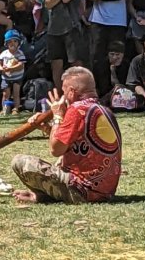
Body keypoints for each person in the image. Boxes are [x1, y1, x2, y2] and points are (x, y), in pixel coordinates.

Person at [11, 66, 122, 204]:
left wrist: (57, 115)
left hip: (83, 191)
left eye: (64, 92)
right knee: (61, 162)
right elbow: (76, 143)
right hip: (105, 192)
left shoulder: (77, 109)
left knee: (20, 161)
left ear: (71, 92)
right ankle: (42, 196)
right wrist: (49, 129)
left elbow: (56, 150)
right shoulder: (104, 110)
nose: (63, 97)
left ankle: (47, 195)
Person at [88, 0, 131, 95]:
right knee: (97, 57)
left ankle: (119, 89)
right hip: (98, 19)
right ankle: (101, 90)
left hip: (117, 20)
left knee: (117, 55)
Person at [44, 0, 86, 88]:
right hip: (53, 28)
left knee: (76, 65)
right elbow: (48, 3)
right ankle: (61, 100)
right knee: (56, 65)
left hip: (71, 26)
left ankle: (79, 97)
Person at [0, 29, 26, 114]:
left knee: (16, 92)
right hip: (6, 77)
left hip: (17, 77)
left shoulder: (20, 53)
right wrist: (1, 68)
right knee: (5, 94)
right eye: (10, 42)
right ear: (6, 43)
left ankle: (15, 108)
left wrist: (11, 68)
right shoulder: (4, 53)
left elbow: (21, 65)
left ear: (19, 43)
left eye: (15, 41)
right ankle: (4, 108)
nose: (12, 43)